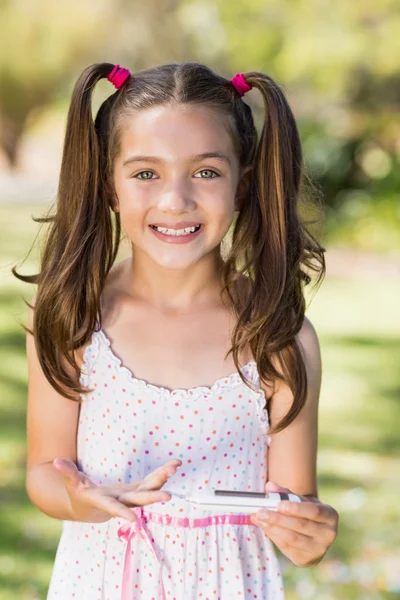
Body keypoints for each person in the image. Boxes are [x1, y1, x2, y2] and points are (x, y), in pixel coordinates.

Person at [15, 61, 339, 599]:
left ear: (243, 184)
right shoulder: (70, 318)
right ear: (109, 186)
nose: (175, 200)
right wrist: (83, 500)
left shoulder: (279, 336)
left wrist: (309, 534)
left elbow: (296, 506)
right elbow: (45, 471)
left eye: (206, 172)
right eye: (146, 173)